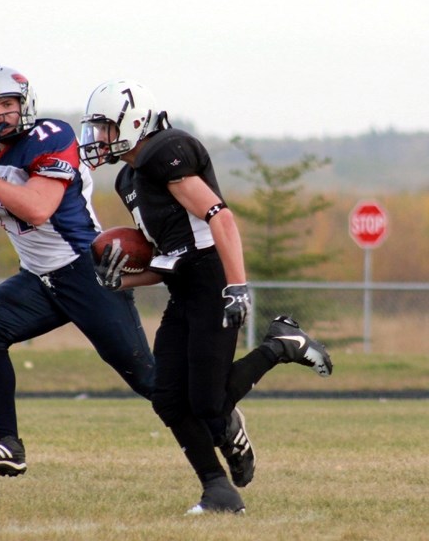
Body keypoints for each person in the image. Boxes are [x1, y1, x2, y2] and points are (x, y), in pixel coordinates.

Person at [79, 78, 333, 515]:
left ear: (134, 121)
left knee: (207, 401)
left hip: (213, 278)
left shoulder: (164, 152)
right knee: (167, 398)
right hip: (184, 286)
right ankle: (217, 490)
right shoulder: (128, 179)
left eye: (105, 127)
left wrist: (236, 285)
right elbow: (165, 257)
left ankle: (282, 344)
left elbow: (221, 216)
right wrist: (119, 282)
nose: (98, 138)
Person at [0, 66, 157, 477]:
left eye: (8, 104)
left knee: (150, 382)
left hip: (84, 270)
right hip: (38, 276)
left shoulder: (52, 136)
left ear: (24, 104)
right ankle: (7, 443)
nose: (0, 115)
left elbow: (37, 209)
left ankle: (222, 420)